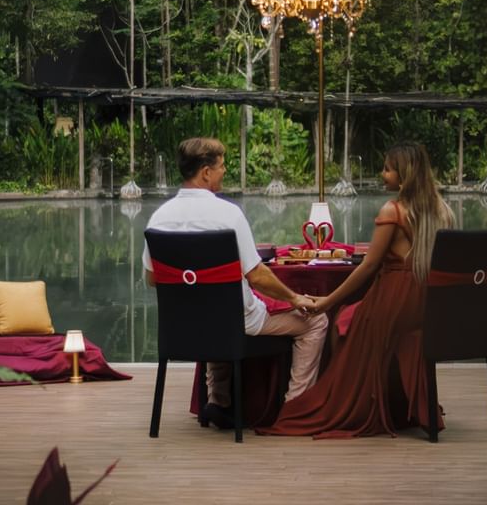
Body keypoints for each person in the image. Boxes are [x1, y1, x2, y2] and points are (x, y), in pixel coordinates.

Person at [257, 142, 454, 438]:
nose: (382, 174)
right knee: (350, 316)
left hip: (395, 299)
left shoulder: (394, 211)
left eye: (387, 169)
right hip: (425, 303)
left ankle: (350, 397)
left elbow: (368, 266)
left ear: (404, 175)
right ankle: (390, 400)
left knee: (341, 319)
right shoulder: (442, 210)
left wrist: (326, 301)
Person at [142, 137, 328, 429]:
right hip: (235, 322)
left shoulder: (158, 218)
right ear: (205, 172)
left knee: (215, 306)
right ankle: (296, 409)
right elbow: (257, 276)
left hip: (183, 326)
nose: (224, 171)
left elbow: (153, 278)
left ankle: (218, 401)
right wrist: (294, 298)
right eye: (221, 166)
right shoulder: (228, 215)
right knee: (317, 322)